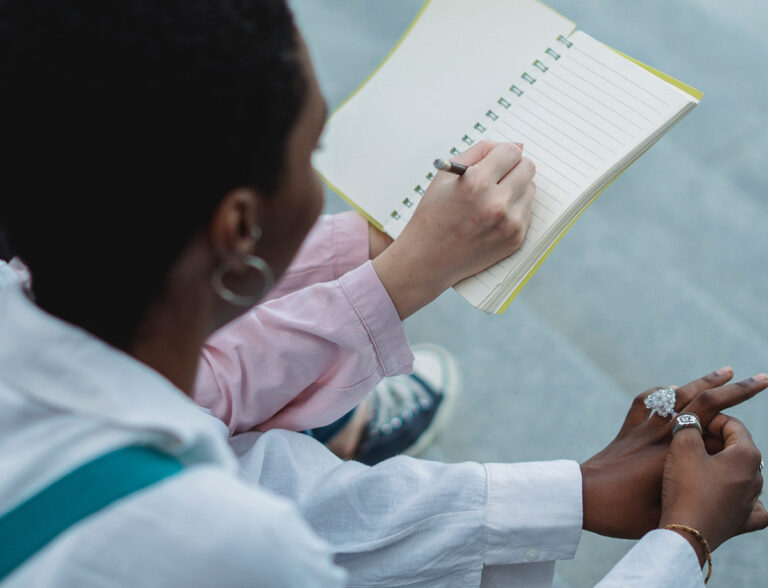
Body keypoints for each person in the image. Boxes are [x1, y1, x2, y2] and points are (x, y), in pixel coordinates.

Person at [0, 1, 765, 587]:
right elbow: (258, 505)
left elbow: (209, 414)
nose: (318, 171)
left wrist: (575, 493)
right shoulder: (231, 547)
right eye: (312, 149)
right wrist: (684, 544)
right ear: (237, 225)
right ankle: (348, 426)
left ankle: (346, 426)